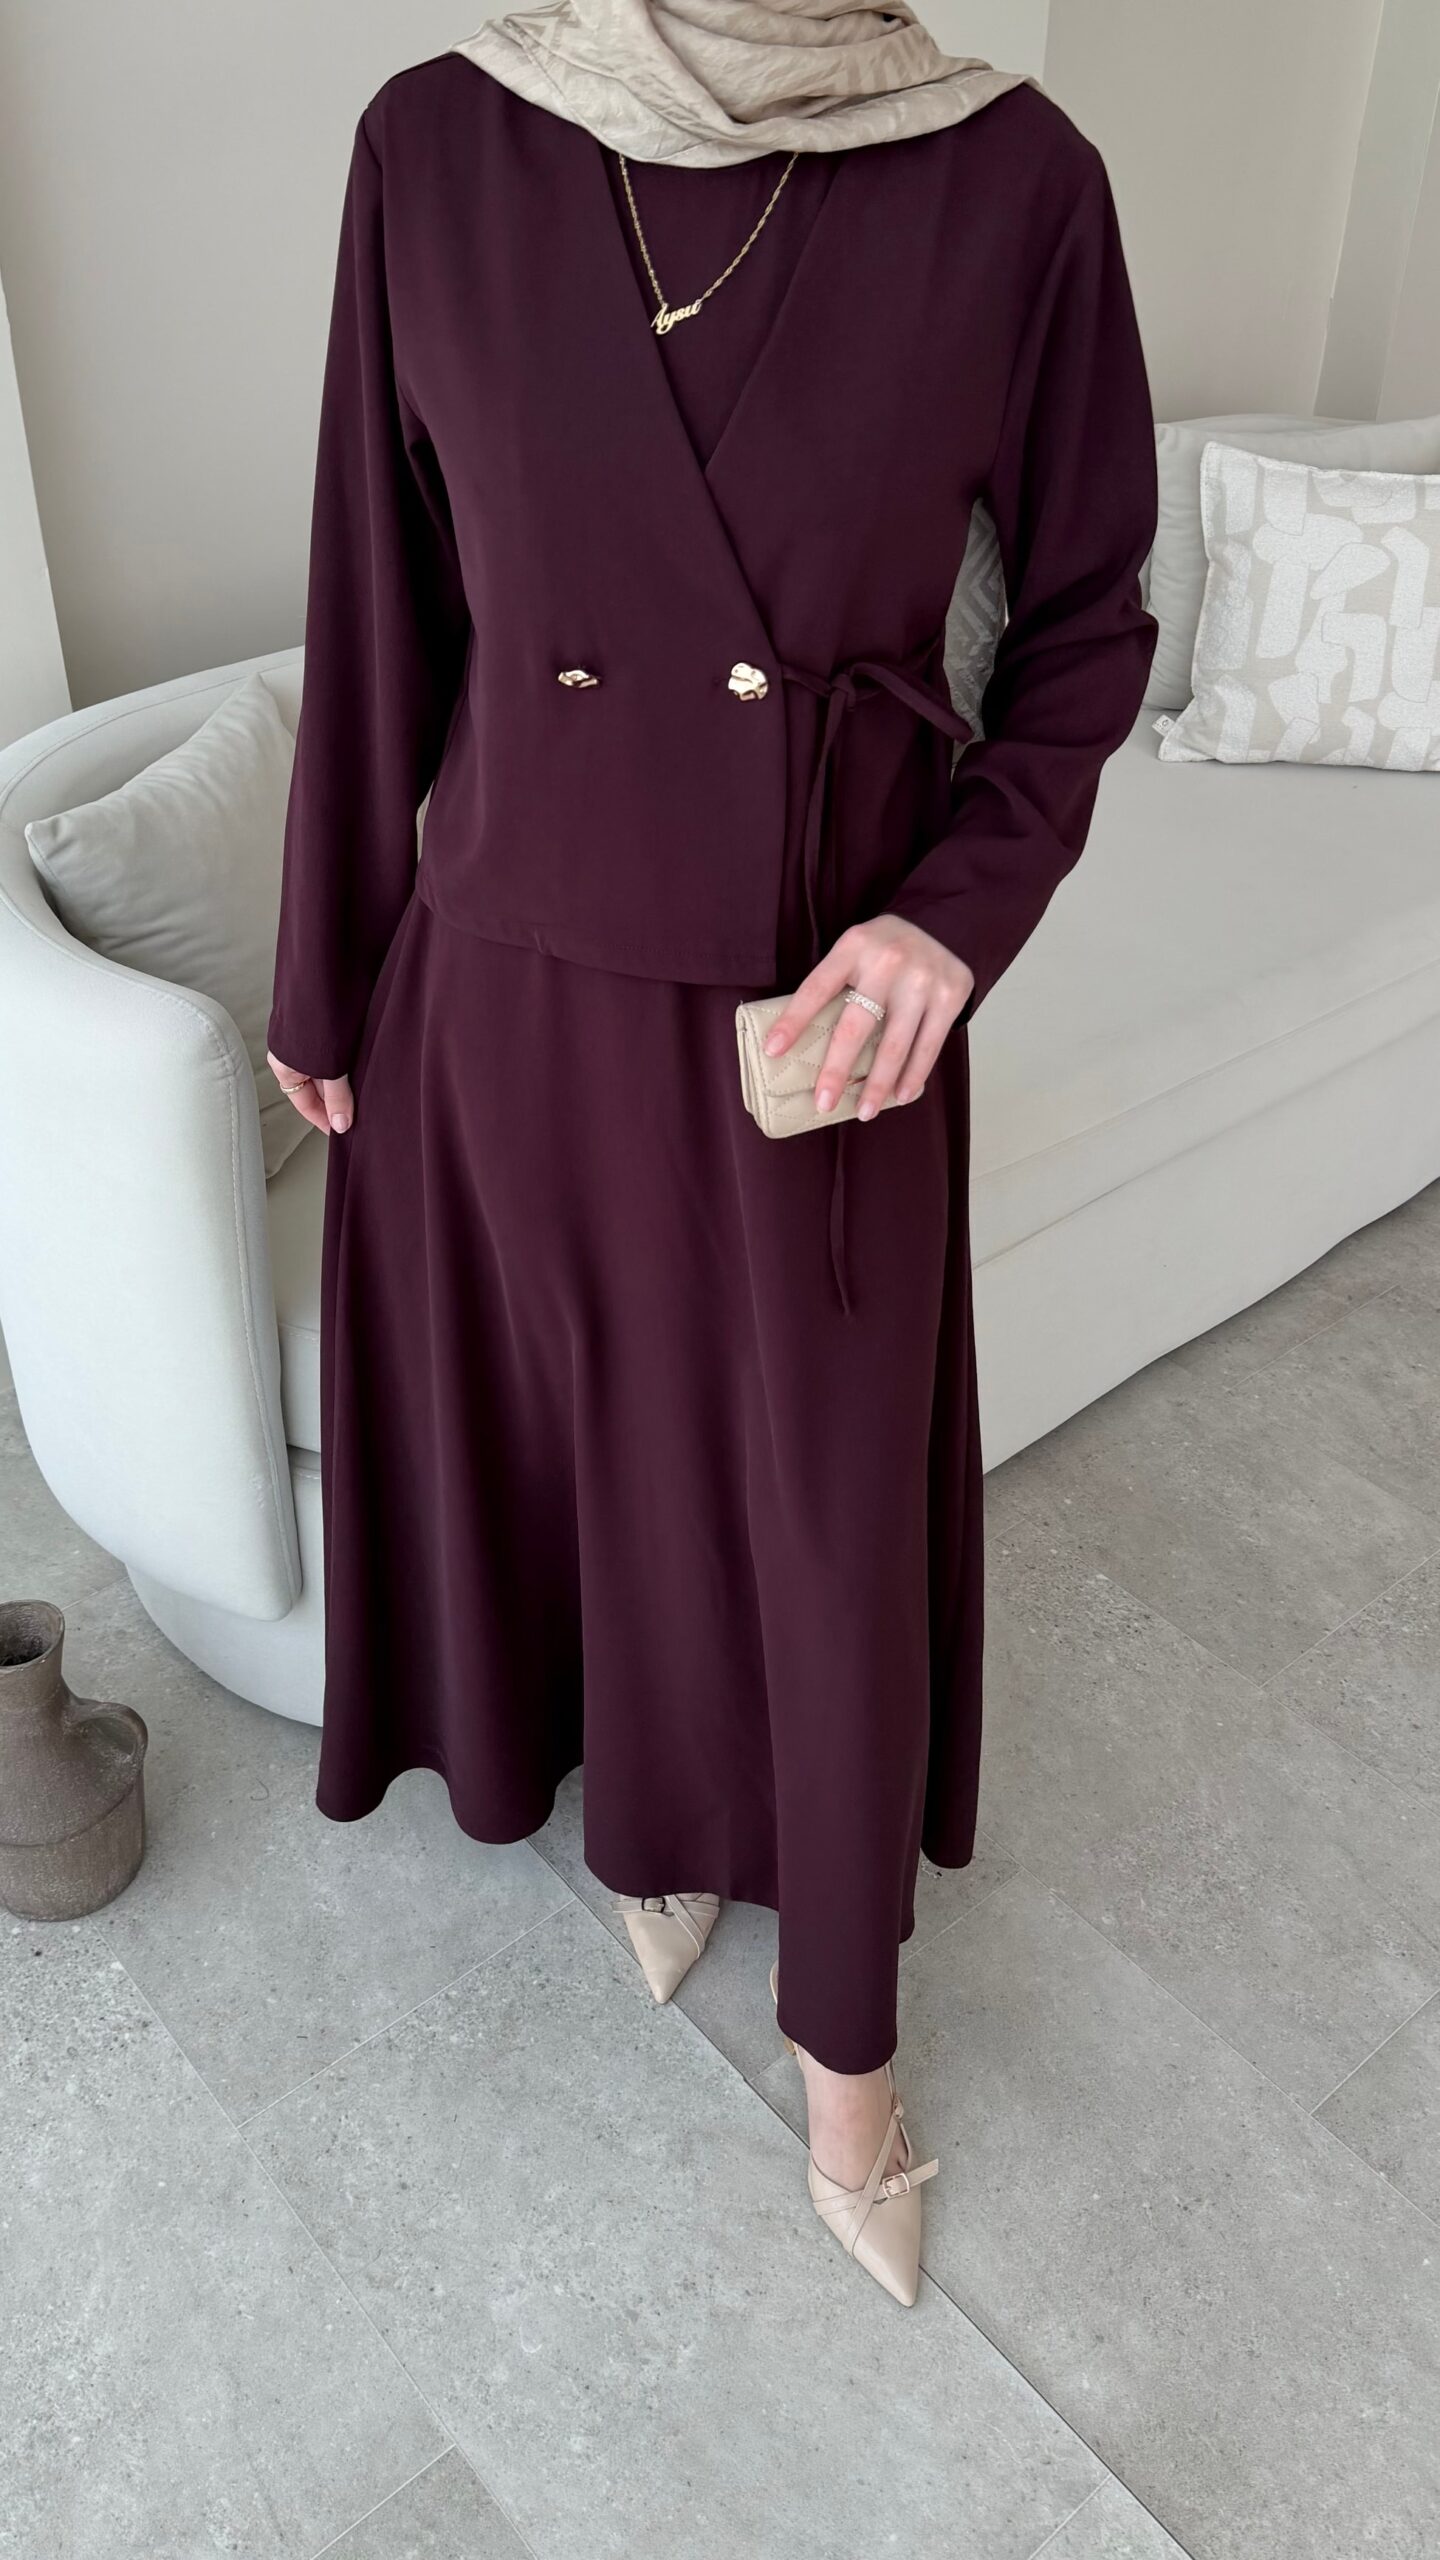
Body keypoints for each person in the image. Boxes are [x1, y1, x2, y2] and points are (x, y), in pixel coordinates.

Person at [266, 0, 1160, 2309]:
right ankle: (655, 1827)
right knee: (596, 1452)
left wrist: (957, 917)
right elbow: (378, 595)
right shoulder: (440, 145)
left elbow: (1082, 625)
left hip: (816, 997)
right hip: (504, 981)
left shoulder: (1013, 180)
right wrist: (323, 966)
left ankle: (850, 2054)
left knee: (819, 1511)